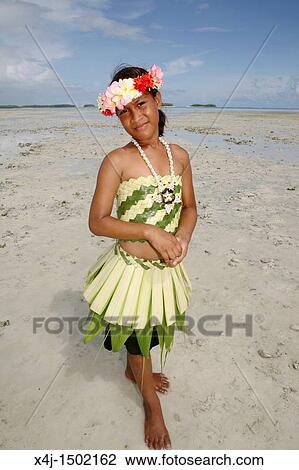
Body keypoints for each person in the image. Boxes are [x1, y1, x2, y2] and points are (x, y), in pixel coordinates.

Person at [82, 64, 197, 450]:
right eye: (125, 112)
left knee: (152, 330)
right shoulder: (117, 160)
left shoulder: (179, 156)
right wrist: (149, 230)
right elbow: (98, 222)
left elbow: (190, 208)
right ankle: (149, 400)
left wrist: (180, 237)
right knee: (134, 338)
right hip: (129, 273)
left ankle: (137, 374)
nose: (136, 117)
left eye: (142, 105)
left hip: (162, 272)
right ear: (116, 117)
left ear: (157, 99)